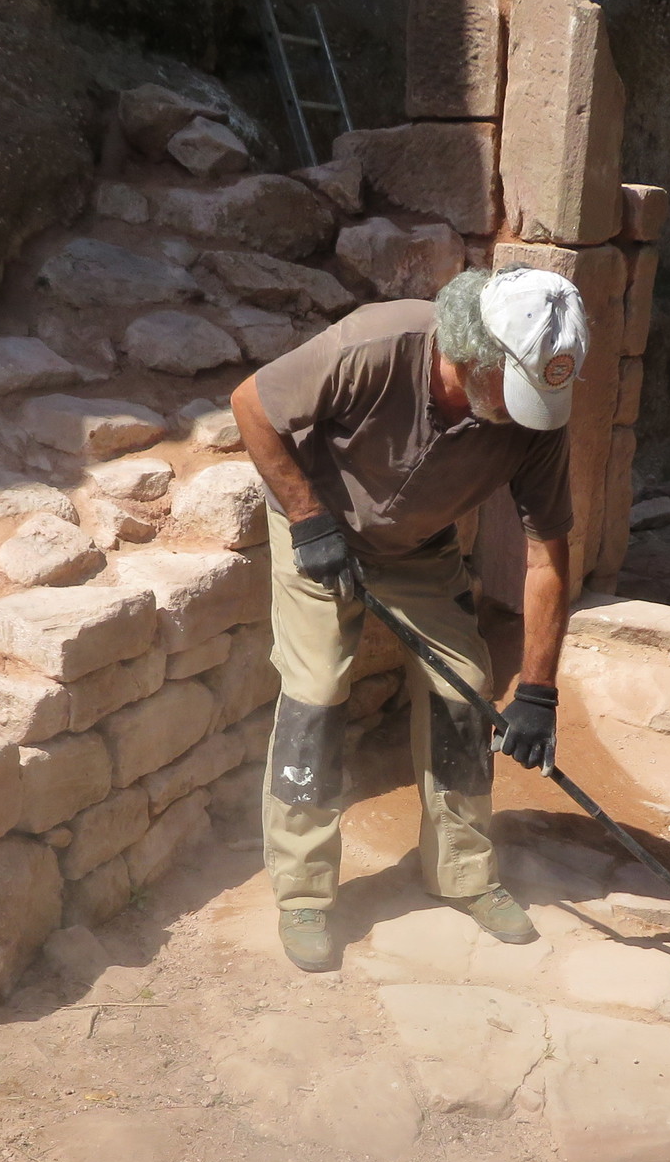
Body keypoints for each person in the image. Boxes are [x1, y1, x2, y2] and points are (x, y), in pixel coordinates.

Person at [229, 263, 588, 973]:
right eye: (514, 391)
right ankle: (303, 891)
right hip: (319, 528)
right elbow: (251, 404)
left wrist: (539, 693)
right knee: (317, 691)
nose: (525, 413)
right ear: (471, 355)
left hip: (421, 546)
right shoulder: (377, 345)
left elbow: (547, 555)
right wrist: (308, 520)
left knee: (465, 688)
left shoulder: (536, 419)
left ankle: (463, 872)